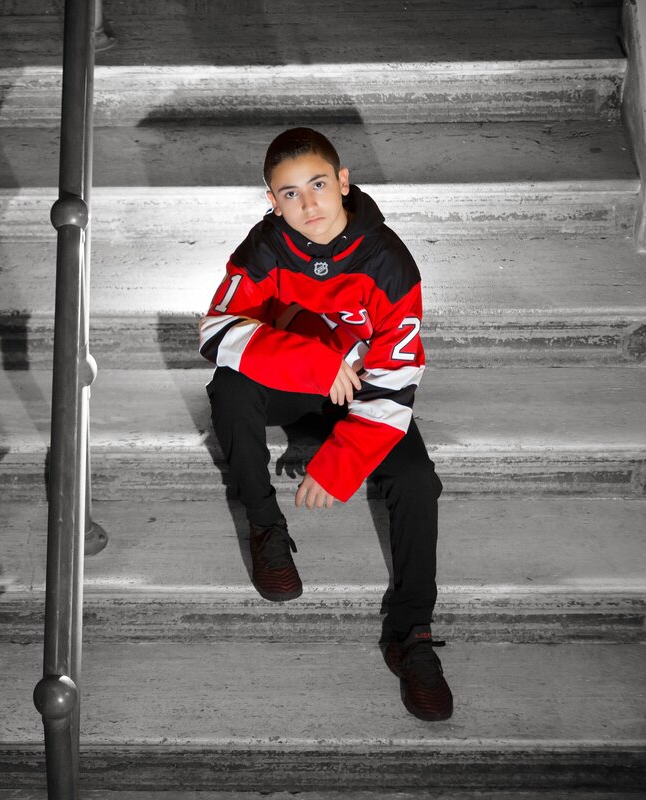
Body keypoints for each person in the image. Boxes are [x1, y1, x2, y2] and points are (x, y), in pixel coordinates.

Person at [199, 127, 452, 721]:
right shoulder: (264, 247)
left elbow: (396, 378)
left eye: (317, 185)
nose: (307, 204)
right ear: (271, 200)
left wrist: (341, 463)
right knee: (230, 389)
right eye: (289, 193)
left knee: (417, 480)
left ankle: (410, 633)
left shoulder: (388, 261)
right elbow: (216, 331)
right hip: (299, 380)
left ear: (343, 182)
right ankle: (265, 526)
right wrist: (316, 362)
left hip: (359, 393)